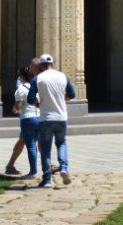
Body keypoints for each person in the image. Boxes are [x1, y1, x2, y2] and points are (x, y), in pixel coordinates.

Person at [33, 53, 75, 189]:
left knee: (45, 149)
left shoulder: (38, 78)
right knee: (61, 143)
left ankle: (47, 179)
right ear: (52, 64)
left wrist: (38, 103)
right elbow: (72, 94)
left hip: (45, 117)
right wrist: (63, 99)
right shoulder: (63, 76)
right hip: (61, 116)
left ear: (40, 65)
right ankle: (63, 167)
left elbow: (30, 98)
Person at [3, 64, 39, 177]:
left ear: (22, 77)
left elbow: (17, 107)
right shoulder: (37, 88)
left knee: (31, 146)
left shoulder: (21, 89)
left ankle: (33, 172)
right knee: (29, 141)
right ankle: (10, 166)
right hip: (40, 118)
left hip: (28, 119)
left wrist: (14, 109)